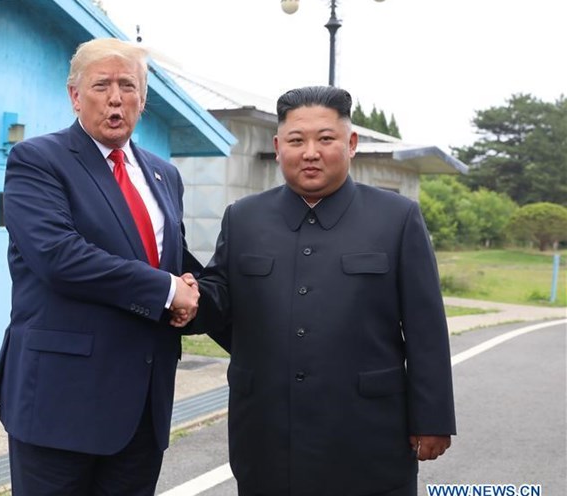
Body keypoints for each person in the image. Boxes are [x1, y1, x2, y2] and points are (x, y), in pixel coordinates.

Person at [195, 86, 456, 496]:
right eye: (297, 141)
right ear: (278, 147)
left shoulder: (396, 217)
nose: (310, 152)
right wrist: (182, 295)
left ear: (350, 144)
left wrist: (433, 419)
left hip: (369, 437)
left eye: (326, 139)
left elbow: (426, 328)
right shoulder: (244, 218)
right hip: (266, 435)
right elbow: (220, 301)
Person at [0, 37, 201, 495]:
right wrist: (165, 290)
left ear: (143, 98)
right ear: (75, 95)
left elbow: (167, 259)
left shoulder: (166, 174)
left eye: (129, 85)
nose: (116, 97)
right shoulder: (38, 160)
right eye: (102, 85)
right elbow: (59, 256)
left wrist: (190, 290)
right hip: (61, 403)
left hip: (143, 405)